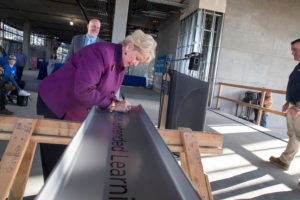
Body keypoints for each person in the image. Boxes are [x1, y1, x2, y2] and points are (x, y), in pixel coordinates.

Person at [37, 29, 157, 180]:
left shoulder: (120, 67)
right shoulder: (101, 53)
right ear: (129, 46)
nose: (135, 63)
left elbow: (106, 93)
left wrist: (117, 103)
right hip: (56, 102)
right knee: (56, 159)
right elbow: (83, 90)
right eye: (137, 58)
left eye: (139, 61)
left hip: (76, 107)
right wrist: (112, 106)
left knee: (71, 155)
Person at [269, 38, 300, 188]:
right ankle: (285, 161)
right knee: (293, 135)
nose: (292, 52)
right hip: (294, 105)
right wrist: (289, 102)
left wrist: (298, 107)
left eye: (295, 49)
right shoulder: (299, 66)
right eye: (292, 49)